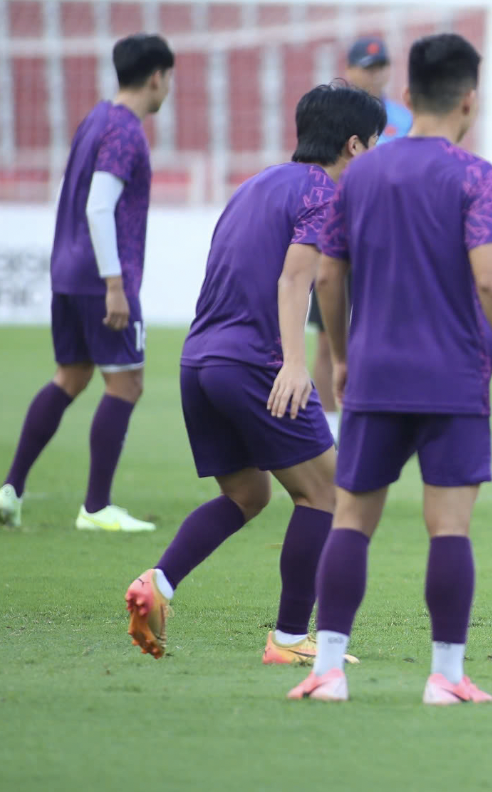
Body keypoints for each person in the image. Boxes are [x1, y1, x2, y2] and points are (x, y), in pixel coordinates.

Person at [287, 33, 492, 705]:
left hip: (375, 374)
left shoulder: (362, 172)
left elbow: (330, 277)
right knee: (449, 527)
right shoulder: (475, 176)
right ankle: (446, 676)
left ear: (404, 97)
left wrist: (341, 355)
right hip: (453, 378)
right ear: (470, 99)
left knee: (351, 521)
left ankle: (329, 669)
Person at [124, 83, 384, 665]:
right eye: (375, 143)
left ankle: (157, 586)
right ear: (354, 146)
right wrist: (295, 362)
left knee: (247, 494)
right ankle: (290, 639)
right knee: (327, 494)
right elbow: (296, 281)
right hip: (254, 363)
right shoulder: (325, 192)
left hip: (200, 360)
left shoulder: (257, 184)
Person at [0, 33, 174, 532]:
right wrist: (115, 283)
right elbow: (99, 204)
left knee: (70, 377)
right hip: (101, 277)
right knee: (127, 382)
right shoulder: (127, 132)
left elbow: (71, 193)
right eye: (168, 79)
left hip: (68, 271)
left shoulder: (94, 119)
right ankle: (95, 507)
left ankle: (12, 487)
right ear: (157, 75)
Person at [305, 37, 417, 416]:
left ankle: (375, 412)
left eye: (381, 65)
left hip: (388, 235)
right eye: (368, 66)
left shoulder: (403, 120)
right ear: (350, 70)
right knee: (326, 335)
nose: (376, 73)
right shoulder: (332, 117)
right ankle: (329, 424)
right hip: (340, 230)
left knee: (386, 331)